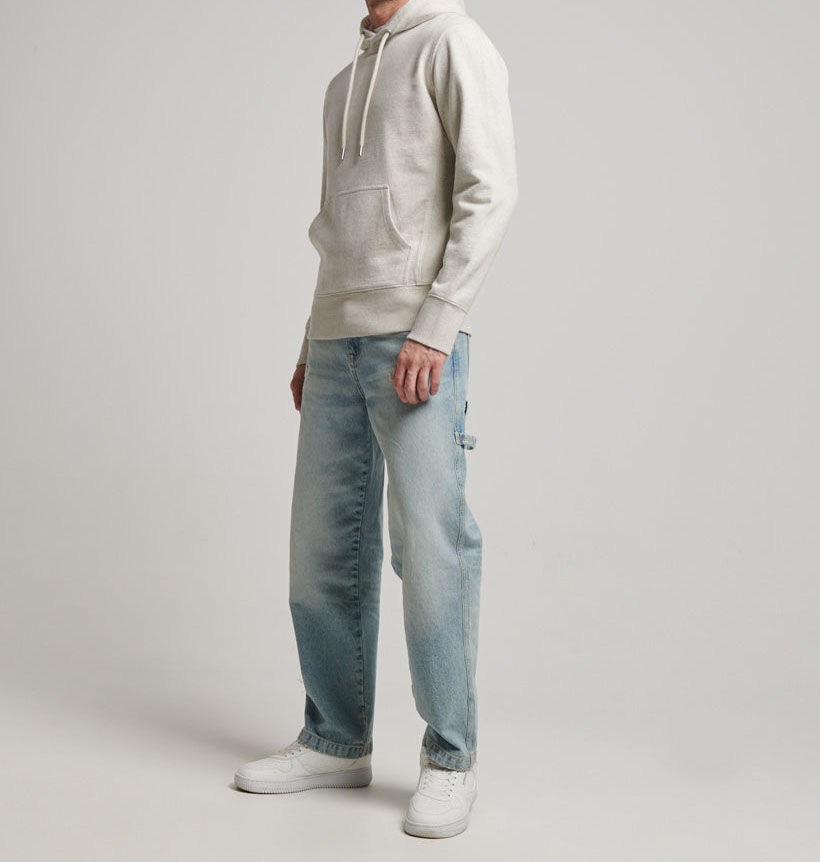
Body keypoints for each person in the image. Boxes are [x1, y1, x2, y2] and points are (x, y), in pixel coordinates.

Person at [234, 0, 517, 839]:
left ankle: (451, 759)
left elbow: (490, 189)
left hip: (415, 336)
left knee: (430, 547)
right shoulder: (343, 80)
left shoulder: (454, 42)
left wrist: (438, 322)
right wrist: (310, 338)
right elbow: (338, 233)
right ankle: (334, 739)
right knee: (321, 550)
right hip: (336, 337)